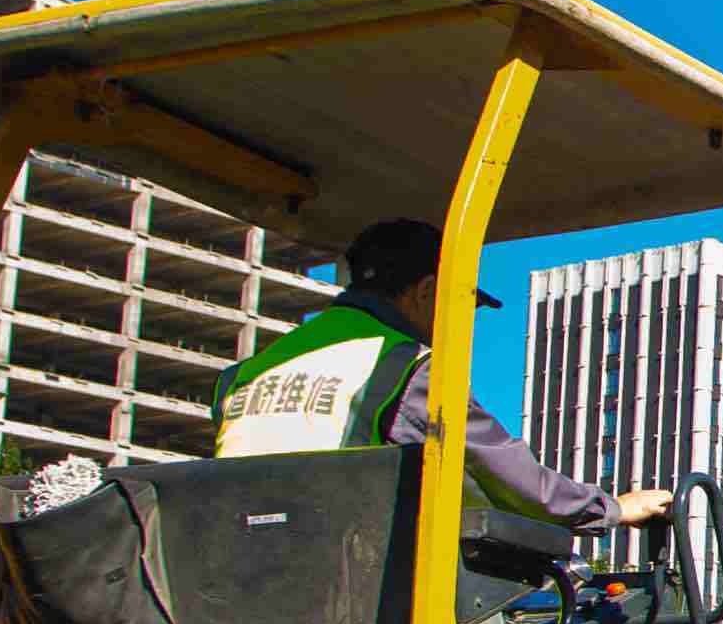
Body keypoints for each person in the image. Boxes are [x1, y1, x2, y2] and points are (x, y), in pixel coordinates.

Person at [215, 218, 672, 537]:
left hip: (233, 590)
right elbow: (509, 478)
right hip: (347, 588)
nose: (464, 323)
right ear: (428, 291)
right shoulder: (403, 365)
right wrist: (612, 508)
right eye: (463, 304)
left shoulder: (250, 371)